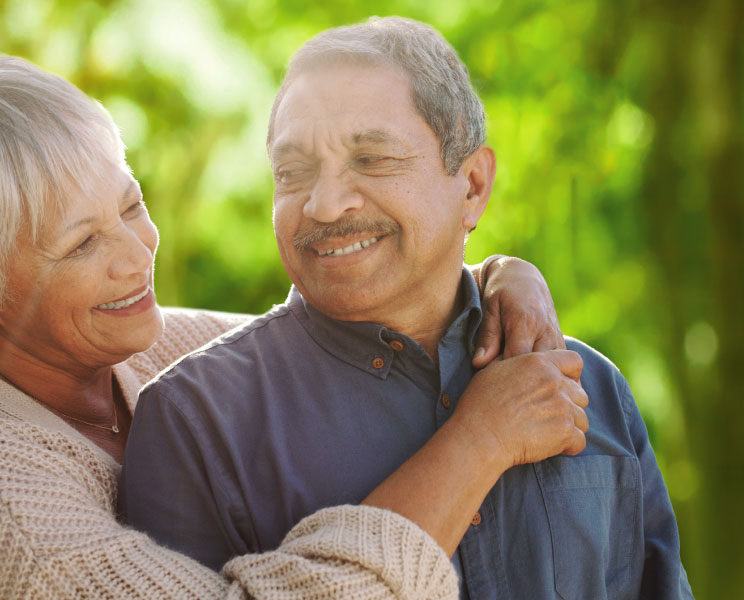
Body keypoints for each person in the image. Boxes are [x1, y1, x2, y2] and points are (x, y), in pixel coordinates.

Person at [0, 52, 588, 598]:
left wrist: (494, 274)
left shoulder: (143, 348)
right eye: (82, 245)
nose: (139, 253)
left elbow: (348, 328)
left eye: (132, 206)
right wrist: (481, 440)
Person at [117, 17, 691, 599]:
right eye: (293, 172)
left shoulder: (590, 384)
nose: (325, 203)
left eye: (372, 159)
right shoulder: (195, 423)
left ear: (472, 186)